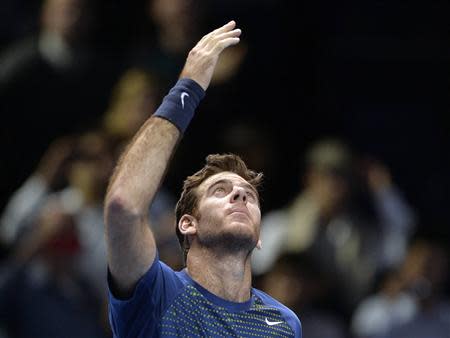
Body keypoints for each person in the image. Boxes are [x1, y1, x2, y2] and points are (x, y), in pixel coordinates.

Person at [104, 21, 302, 337]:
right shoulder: (158, 294)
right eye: (220, 191)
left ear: (260, 234)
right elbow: (123, 206)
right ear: (188, 224)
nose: (239, 196)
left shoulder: (284, 323)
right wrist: (188, 88)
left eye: (248, 195)